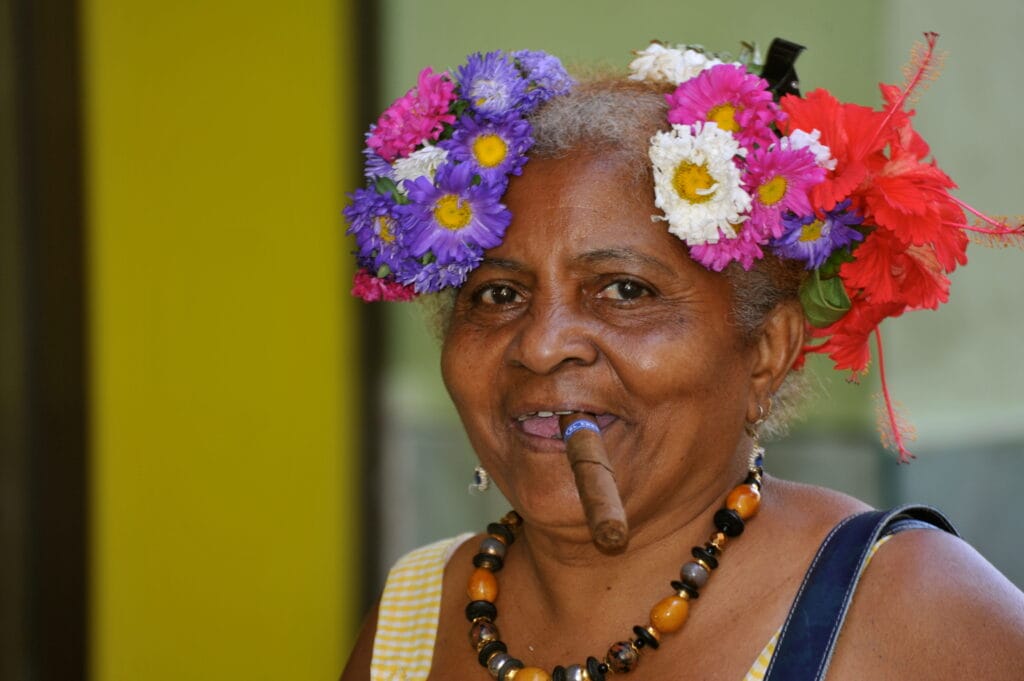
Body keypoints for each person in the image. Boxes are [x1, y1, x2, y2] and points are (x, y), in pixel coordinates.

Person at [340, 38, 1024, 681]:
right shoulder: (413, 613)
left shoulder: (912, 611)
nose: (542, 346)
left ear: (767, 352)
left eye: (624, 291)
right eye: (498, 294)